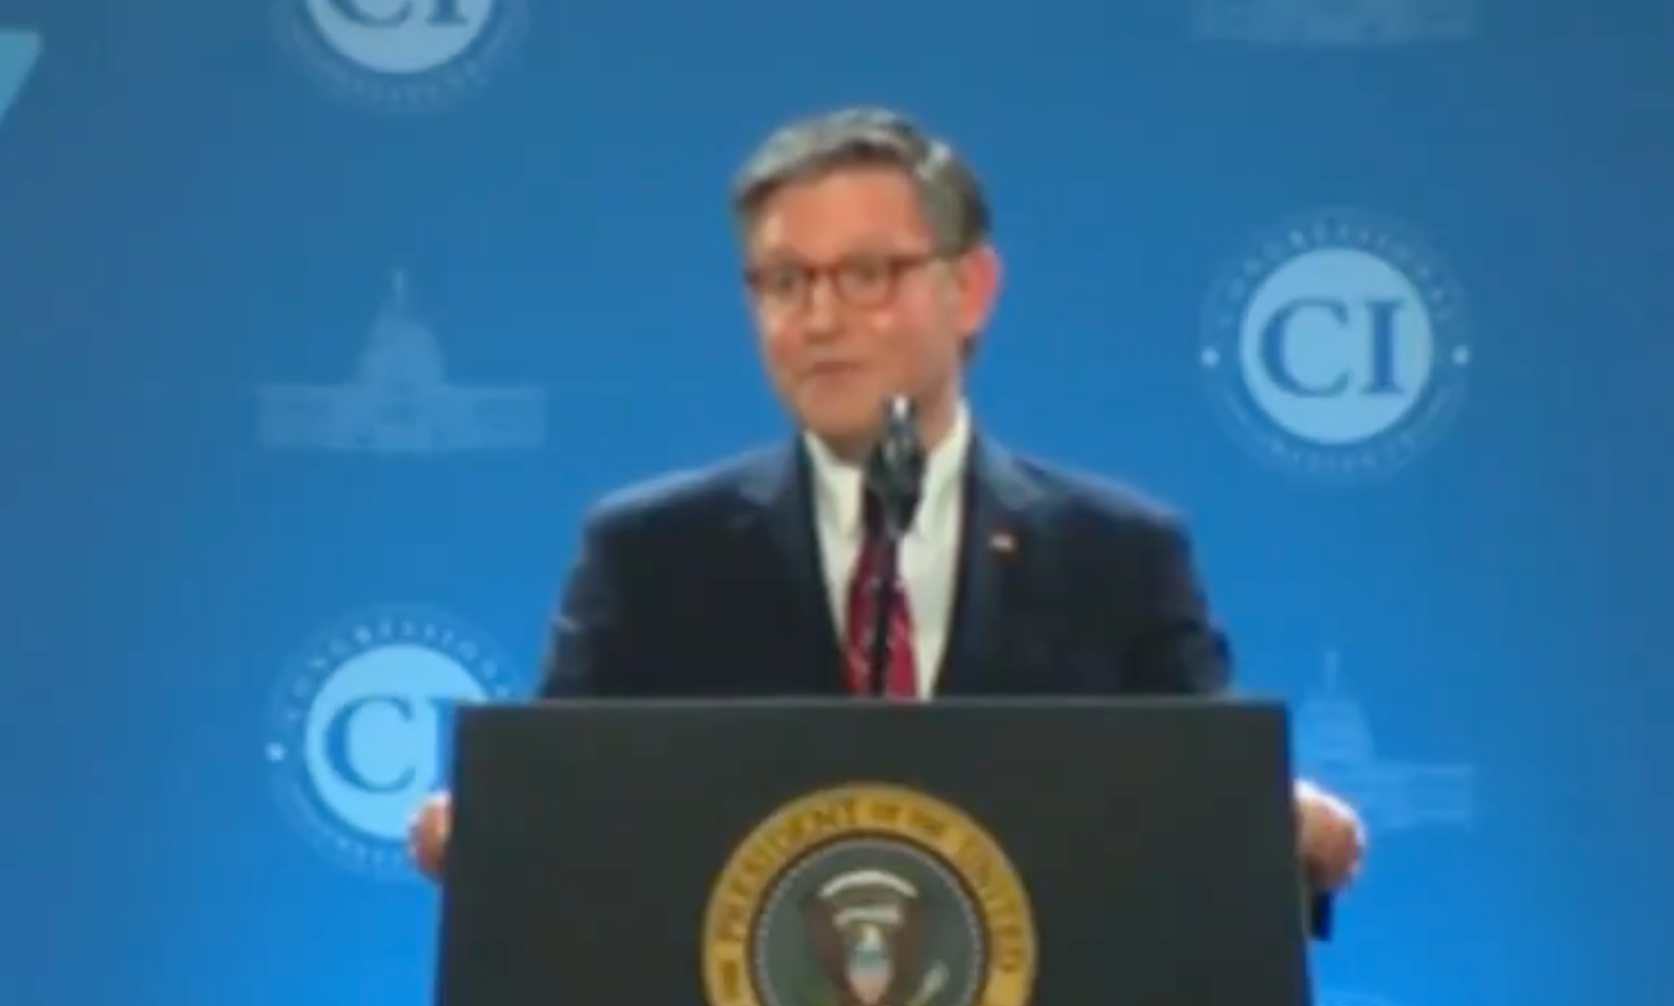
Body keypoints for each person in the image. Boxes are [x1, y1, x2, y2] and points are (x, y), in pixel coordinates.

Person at [408, 106, 1366, 906]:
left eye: (866, 275)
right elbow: (566, 812)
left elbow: (1204, 808)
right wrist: (500, 826)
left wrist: (1277, 825)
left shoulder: (1116, 556)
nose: (820, 319)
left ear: (970, 289)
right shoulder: (650, 554)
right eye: (785, 283)